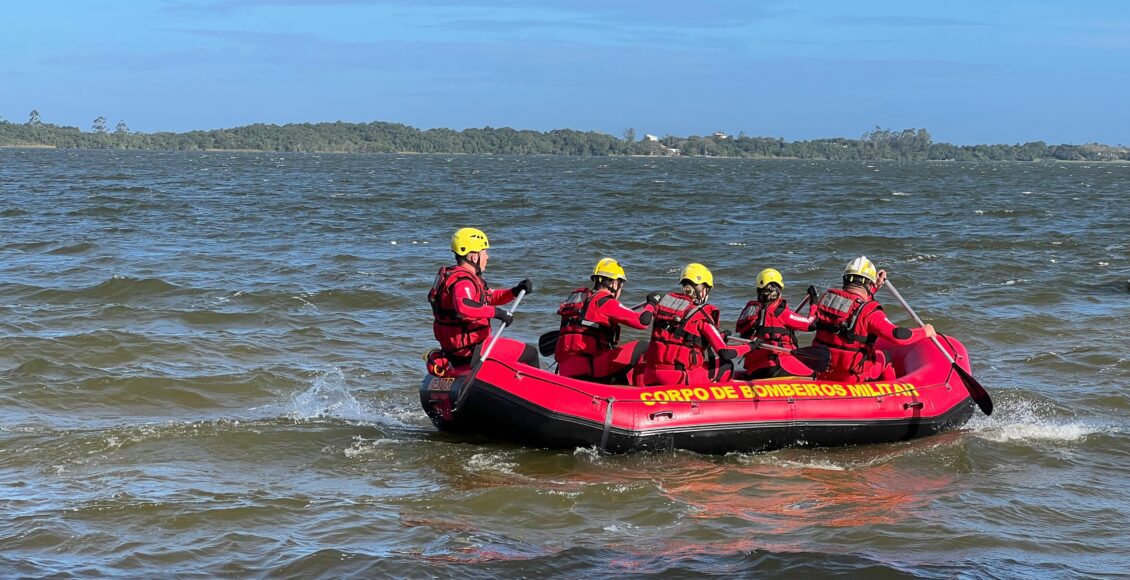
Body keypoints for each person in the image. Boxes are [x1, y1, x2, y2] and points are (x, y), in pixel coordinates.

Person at [427, 227, 535, 375]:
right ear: (473, 257)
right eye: (484, 252)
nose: (488, 257)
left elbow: (491, 297)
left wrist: (515, 291)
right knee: (530, 353)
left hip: (454, 350)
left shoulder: (457, 277)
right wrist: (498, 313)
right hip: (470, 350)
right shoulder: (464, 281)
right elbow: (464, 306)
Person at [812, 256, 936, 382]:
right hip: (852, 375)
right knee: (885, 356)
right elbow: (897, 336)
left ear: (845, 279)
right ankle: (891, 395)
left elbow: (852, 305)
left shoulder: (827, 300)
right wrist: (925, 331)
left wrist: (874, 287)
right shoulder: (871, 312)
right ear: (869, 285)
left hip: (825, 370)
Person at [637, 263, 750, 386]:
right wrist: (751, 346)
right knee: (726, 365)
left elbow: (644, 320)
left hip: (650, 375)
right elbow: (725, 352)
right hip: (677, 379)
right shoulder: (701, 315)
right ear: (702, 289)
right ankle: (714, 401)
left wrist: (651, 303)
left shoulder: (663, 304)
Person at [554, 258, 659, 384]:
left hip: (566, 369)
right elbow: (643, 322)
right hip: (590, 369)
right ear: (614, 284)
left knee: (615, 355)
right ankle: (642, 395)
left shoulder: (578, 301)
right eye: (621, 285)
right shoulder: (605, 302)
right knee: (643, 346)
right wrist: (652, 303)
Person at [734, 268, 819, 379]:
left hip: (753, 367)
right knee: (816, 372)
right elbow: (811, 324)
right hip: (775, 365)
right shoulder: (780, 312)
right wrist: (814, 302)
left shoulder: (753, 311)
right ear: (776, 290)